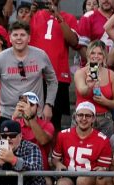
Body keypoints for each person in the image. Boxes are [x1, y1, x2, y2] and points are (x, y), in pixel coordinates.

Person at [52, 101, 113, 185]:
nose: (83, 119)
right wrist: (58, 164)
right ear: (75, 117)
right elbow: (55, 158)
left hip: (89, 176)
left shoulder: (102, 140)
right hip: (69, 173)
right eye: (80, 115)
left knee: (82, 180)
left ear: (93, 118)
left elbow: (105, 167)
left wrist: (102, 169)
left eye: (87, 115)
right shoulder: (62, 135)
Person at [0, 21, 58, 125]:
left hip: (35, 115)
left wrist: (49, 105)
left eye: (22, 35)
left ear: (29, 38)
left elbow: (52, 81)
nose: (19, 38)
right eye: (15, 35)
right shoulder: (0, 58)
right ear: (10, 38)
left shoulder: (41, 55)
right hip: (8, 115)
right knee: (10, 141)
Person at [28, 0, 79, 133]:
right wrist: (30, 15)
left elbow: (74, 41)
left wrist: (58, 17)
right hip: (34, 76)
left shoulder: (69, 17)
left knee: (54, 122)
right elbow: (18, 38)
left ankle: (54, 154)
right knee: (30, 119)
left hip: (58, 76)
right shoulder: (33, 16)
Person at [74, 40, 114, 137]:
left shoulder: (111, 74)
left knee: (104, 151)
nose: (96, 56)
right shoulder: (80, 72)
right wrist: (89, 86)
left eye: (100, 53)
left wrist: (105, 101)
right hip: (83, 119)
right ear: (88, 55)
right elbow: (82, 91)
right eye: (93, 53)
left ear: (104, 56)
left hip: (104, 120)